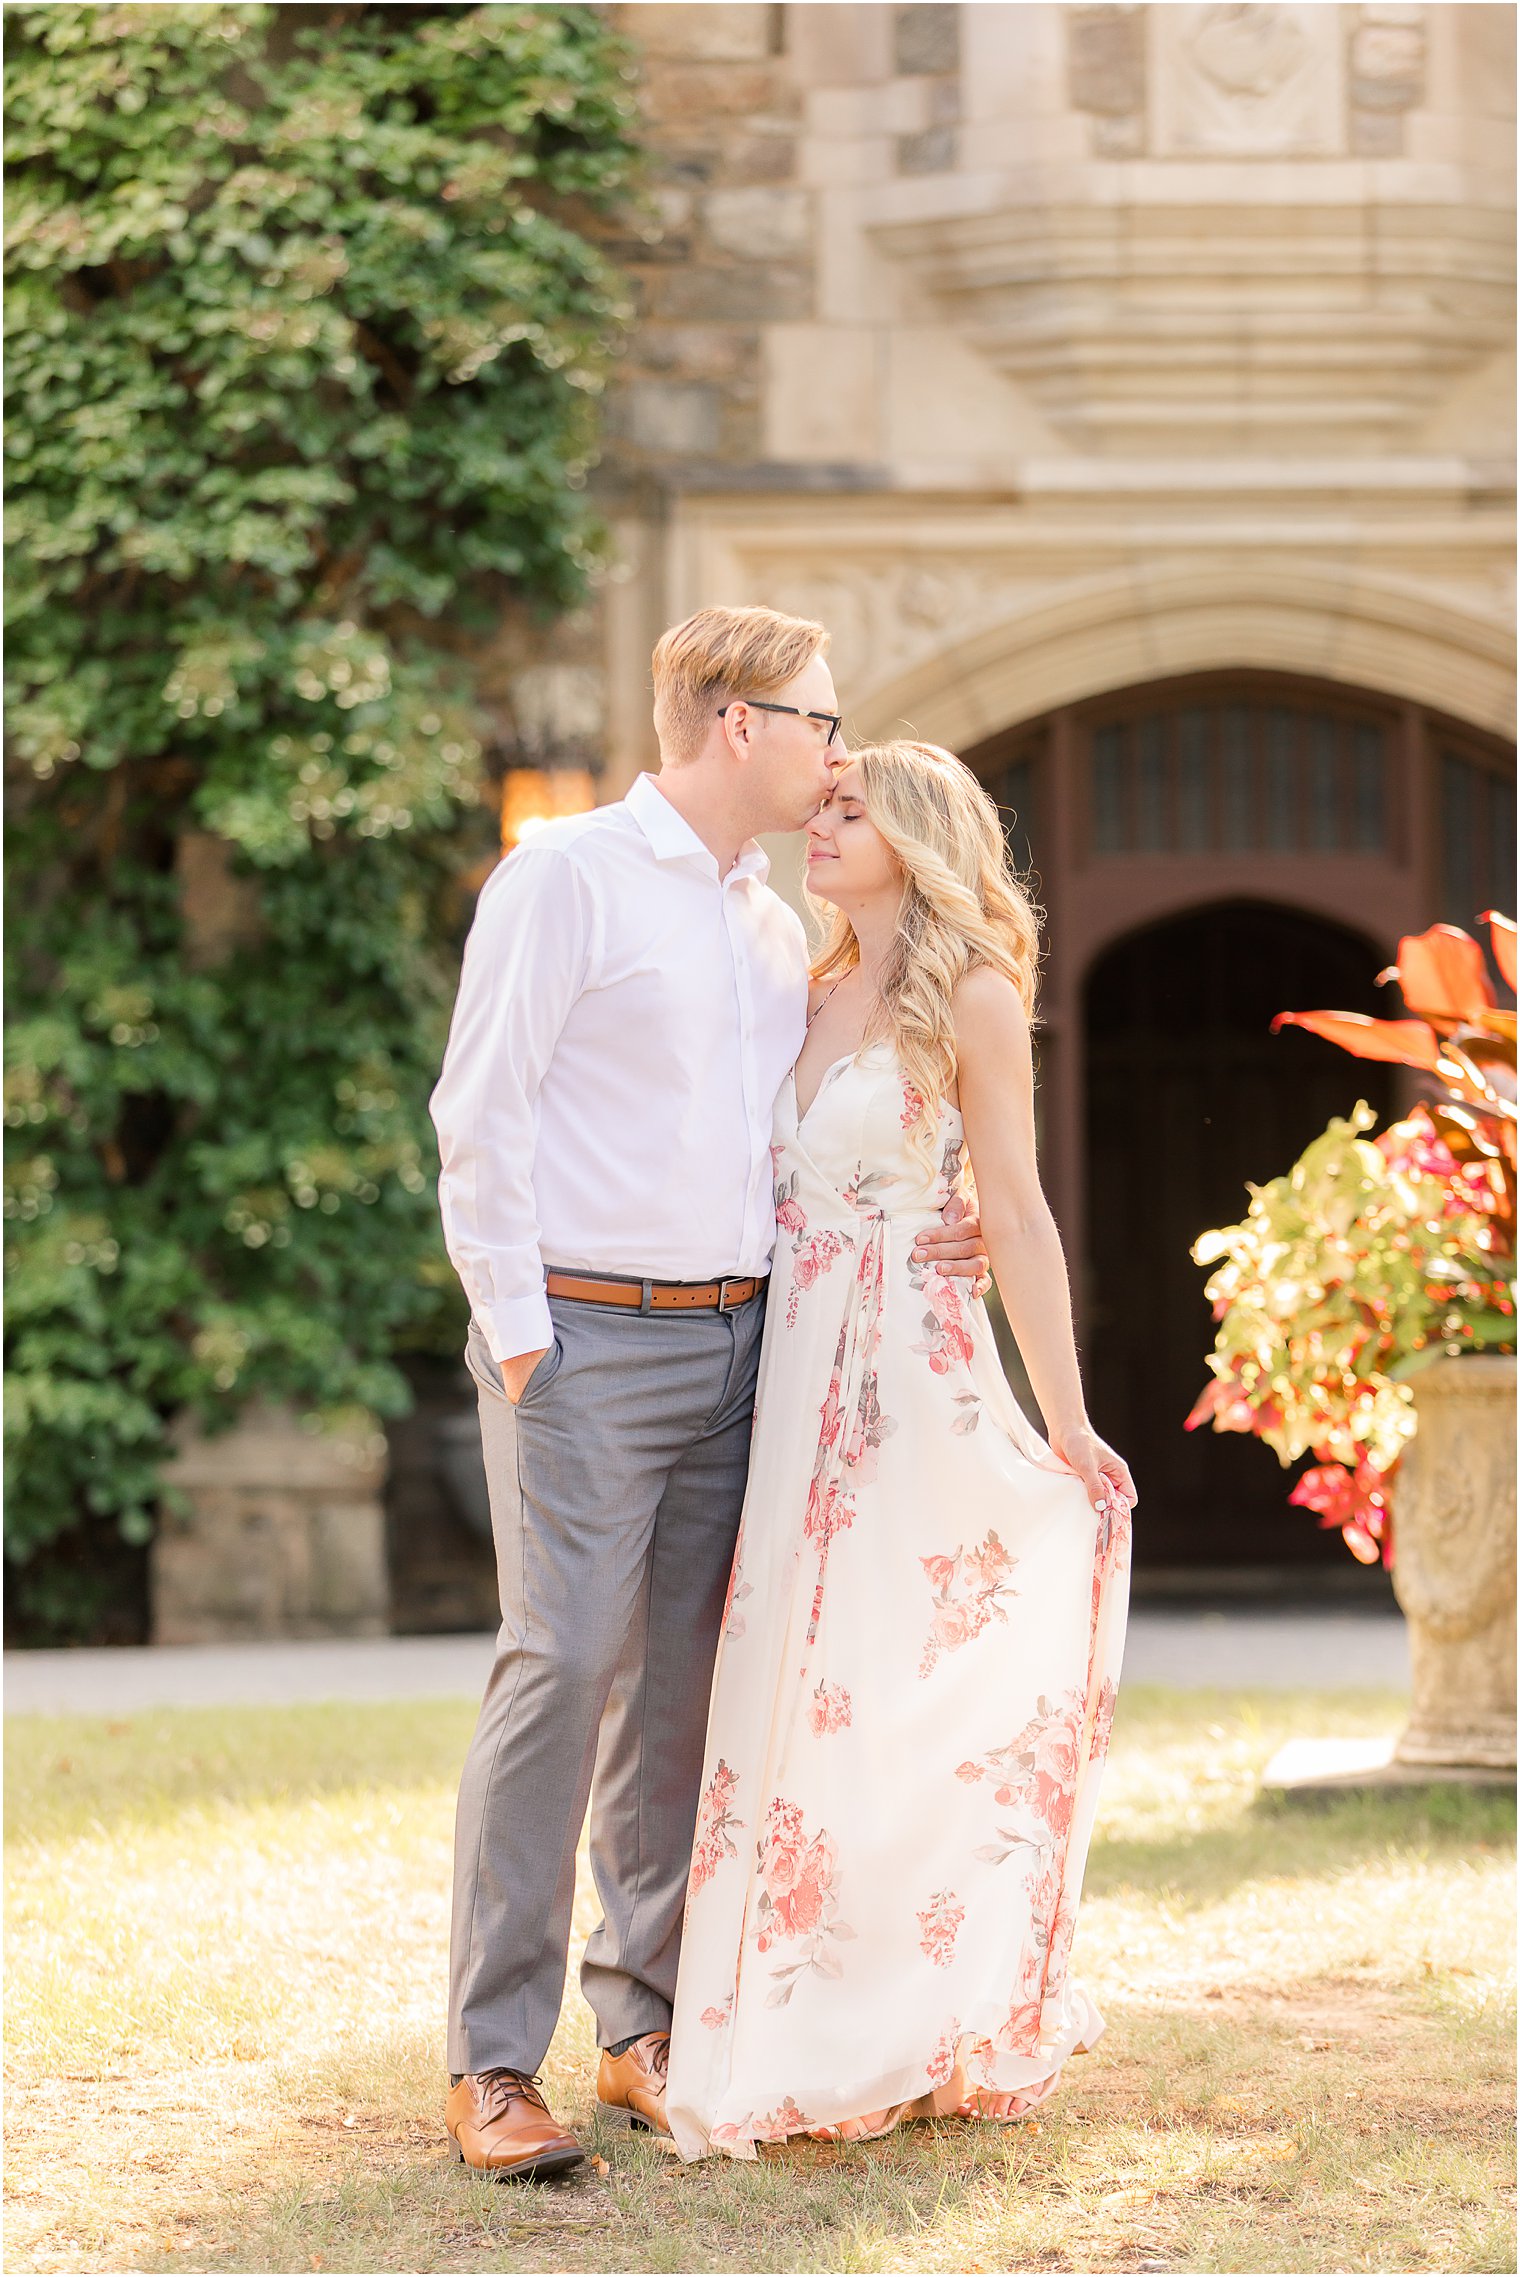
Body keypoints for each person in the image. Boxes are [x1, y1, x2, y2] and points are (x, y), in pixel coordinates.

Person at [427, 609, 991, 2180]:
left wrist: (945, 1216)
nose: (836, 750)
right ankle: (491, 2059)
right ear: (738, 723)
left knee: (684, 1687)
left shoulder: (764, 924)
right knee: (561, 1663)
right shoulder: (563, 875)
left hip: (748, 1349)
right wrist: (523, 1335)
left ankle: (642, 2029)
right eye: (819, 718)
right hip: (586, 1343)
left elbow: (817, 1128)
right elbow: (480, 1112)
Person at [664, 738, 1136, 2160]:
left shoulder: (972, 994)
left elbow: (1021, 1211)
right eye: (823, 806)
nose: (822, 825)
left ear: (918, 838)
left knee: (895, 1679)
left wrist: (1066, 1414)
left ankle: (923, 2007)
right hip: (793, 1368)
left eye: (850, 811)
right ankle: (804, 1996)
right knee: (799, 1685)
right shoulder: (802, 988)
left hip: (910, 1382)